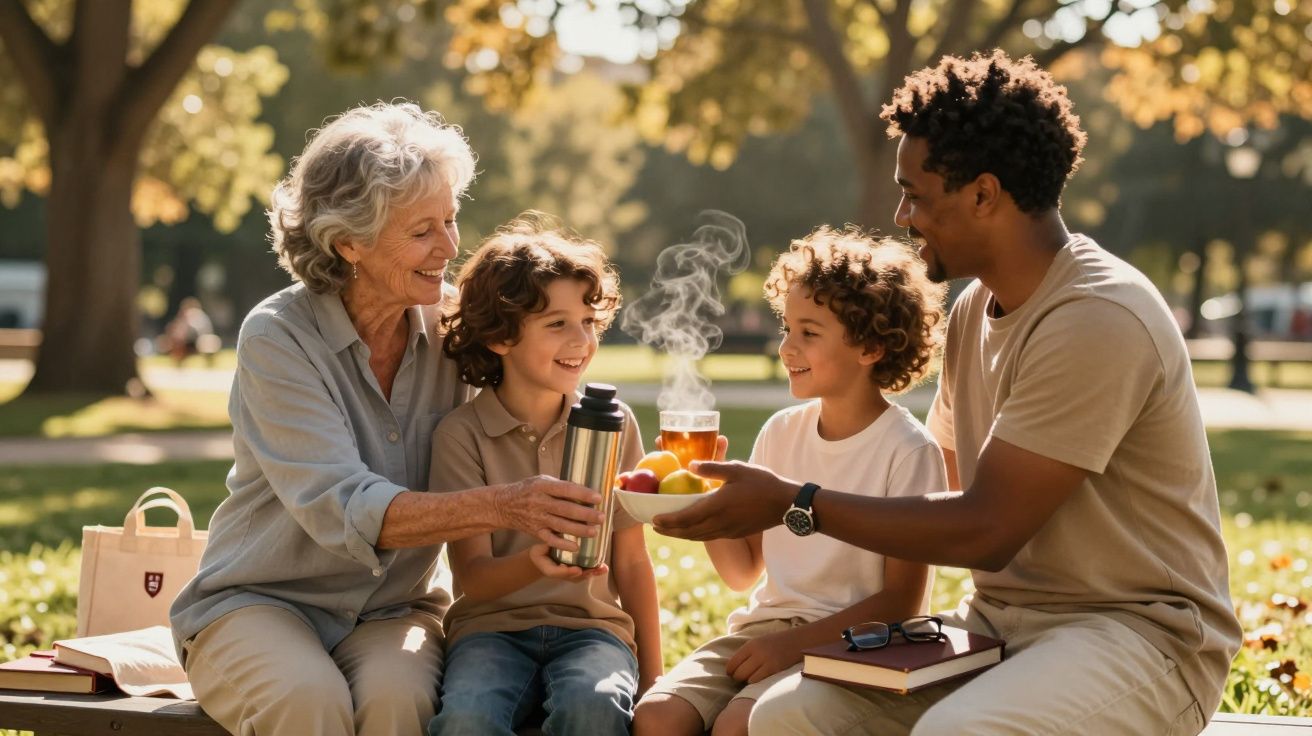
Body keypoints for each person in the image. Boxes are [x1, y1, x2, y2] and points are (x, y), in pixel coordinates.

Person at [654, 50, 1242, 735]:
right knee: (787, 717)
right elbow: (940, 498)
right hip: (997, 627)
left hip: (1140, 635)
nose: (903, 213)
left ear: (983, 195)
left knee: (956, 733)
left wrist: (796, 503)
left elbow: (985, 528)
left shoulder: (1096, 314)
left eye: (916, 194)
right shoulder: (973, 311)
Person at [169, 104, 608, 736]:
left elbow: (550, 363)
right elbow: (340, 505)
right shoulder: (278, 337)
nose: (451, 247)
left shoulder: (455, 326)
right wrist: (509, 505)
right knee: (307, 701)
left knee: (401, 706)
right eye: (424, 229)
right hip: (259, 602)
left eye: (452, 219)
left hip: (393, 610)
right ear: (349, 242)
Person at [634, 227, 948, 736]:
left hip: (857, 643)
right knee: (657, 716)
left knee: (741, 723)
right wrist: (704, 502)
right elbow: (742, 573)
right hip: (763, 631)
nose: (786, 347)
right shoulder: (781, 432)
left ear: (869, 346)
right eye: (787, 327)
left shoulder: (908, 451)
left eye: (809, 332)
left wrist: (790, 647)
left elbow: (902, 604)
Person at [426, 215, 662, 736]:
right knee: (467, 718)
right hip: (489, 632)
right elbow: (476, 578)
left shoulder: (613, 426)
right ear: (499, 337)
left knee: (593, 707)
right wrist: (537, 563)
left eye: (587, 321)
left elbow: (632, 560)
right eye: (556, 324)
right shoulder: (461, 435)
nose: (580, 340)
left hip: (594, 631)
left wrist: (654, 680)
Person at [162, 296, 216, 366]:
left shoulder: (194, 316)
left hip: (197, 341)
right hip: (192, 341)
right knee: (176, 342)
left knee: (178, 342)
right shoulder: (194, 316)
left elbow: (193, 332)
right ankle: (178, 362)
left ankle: (178, 361)